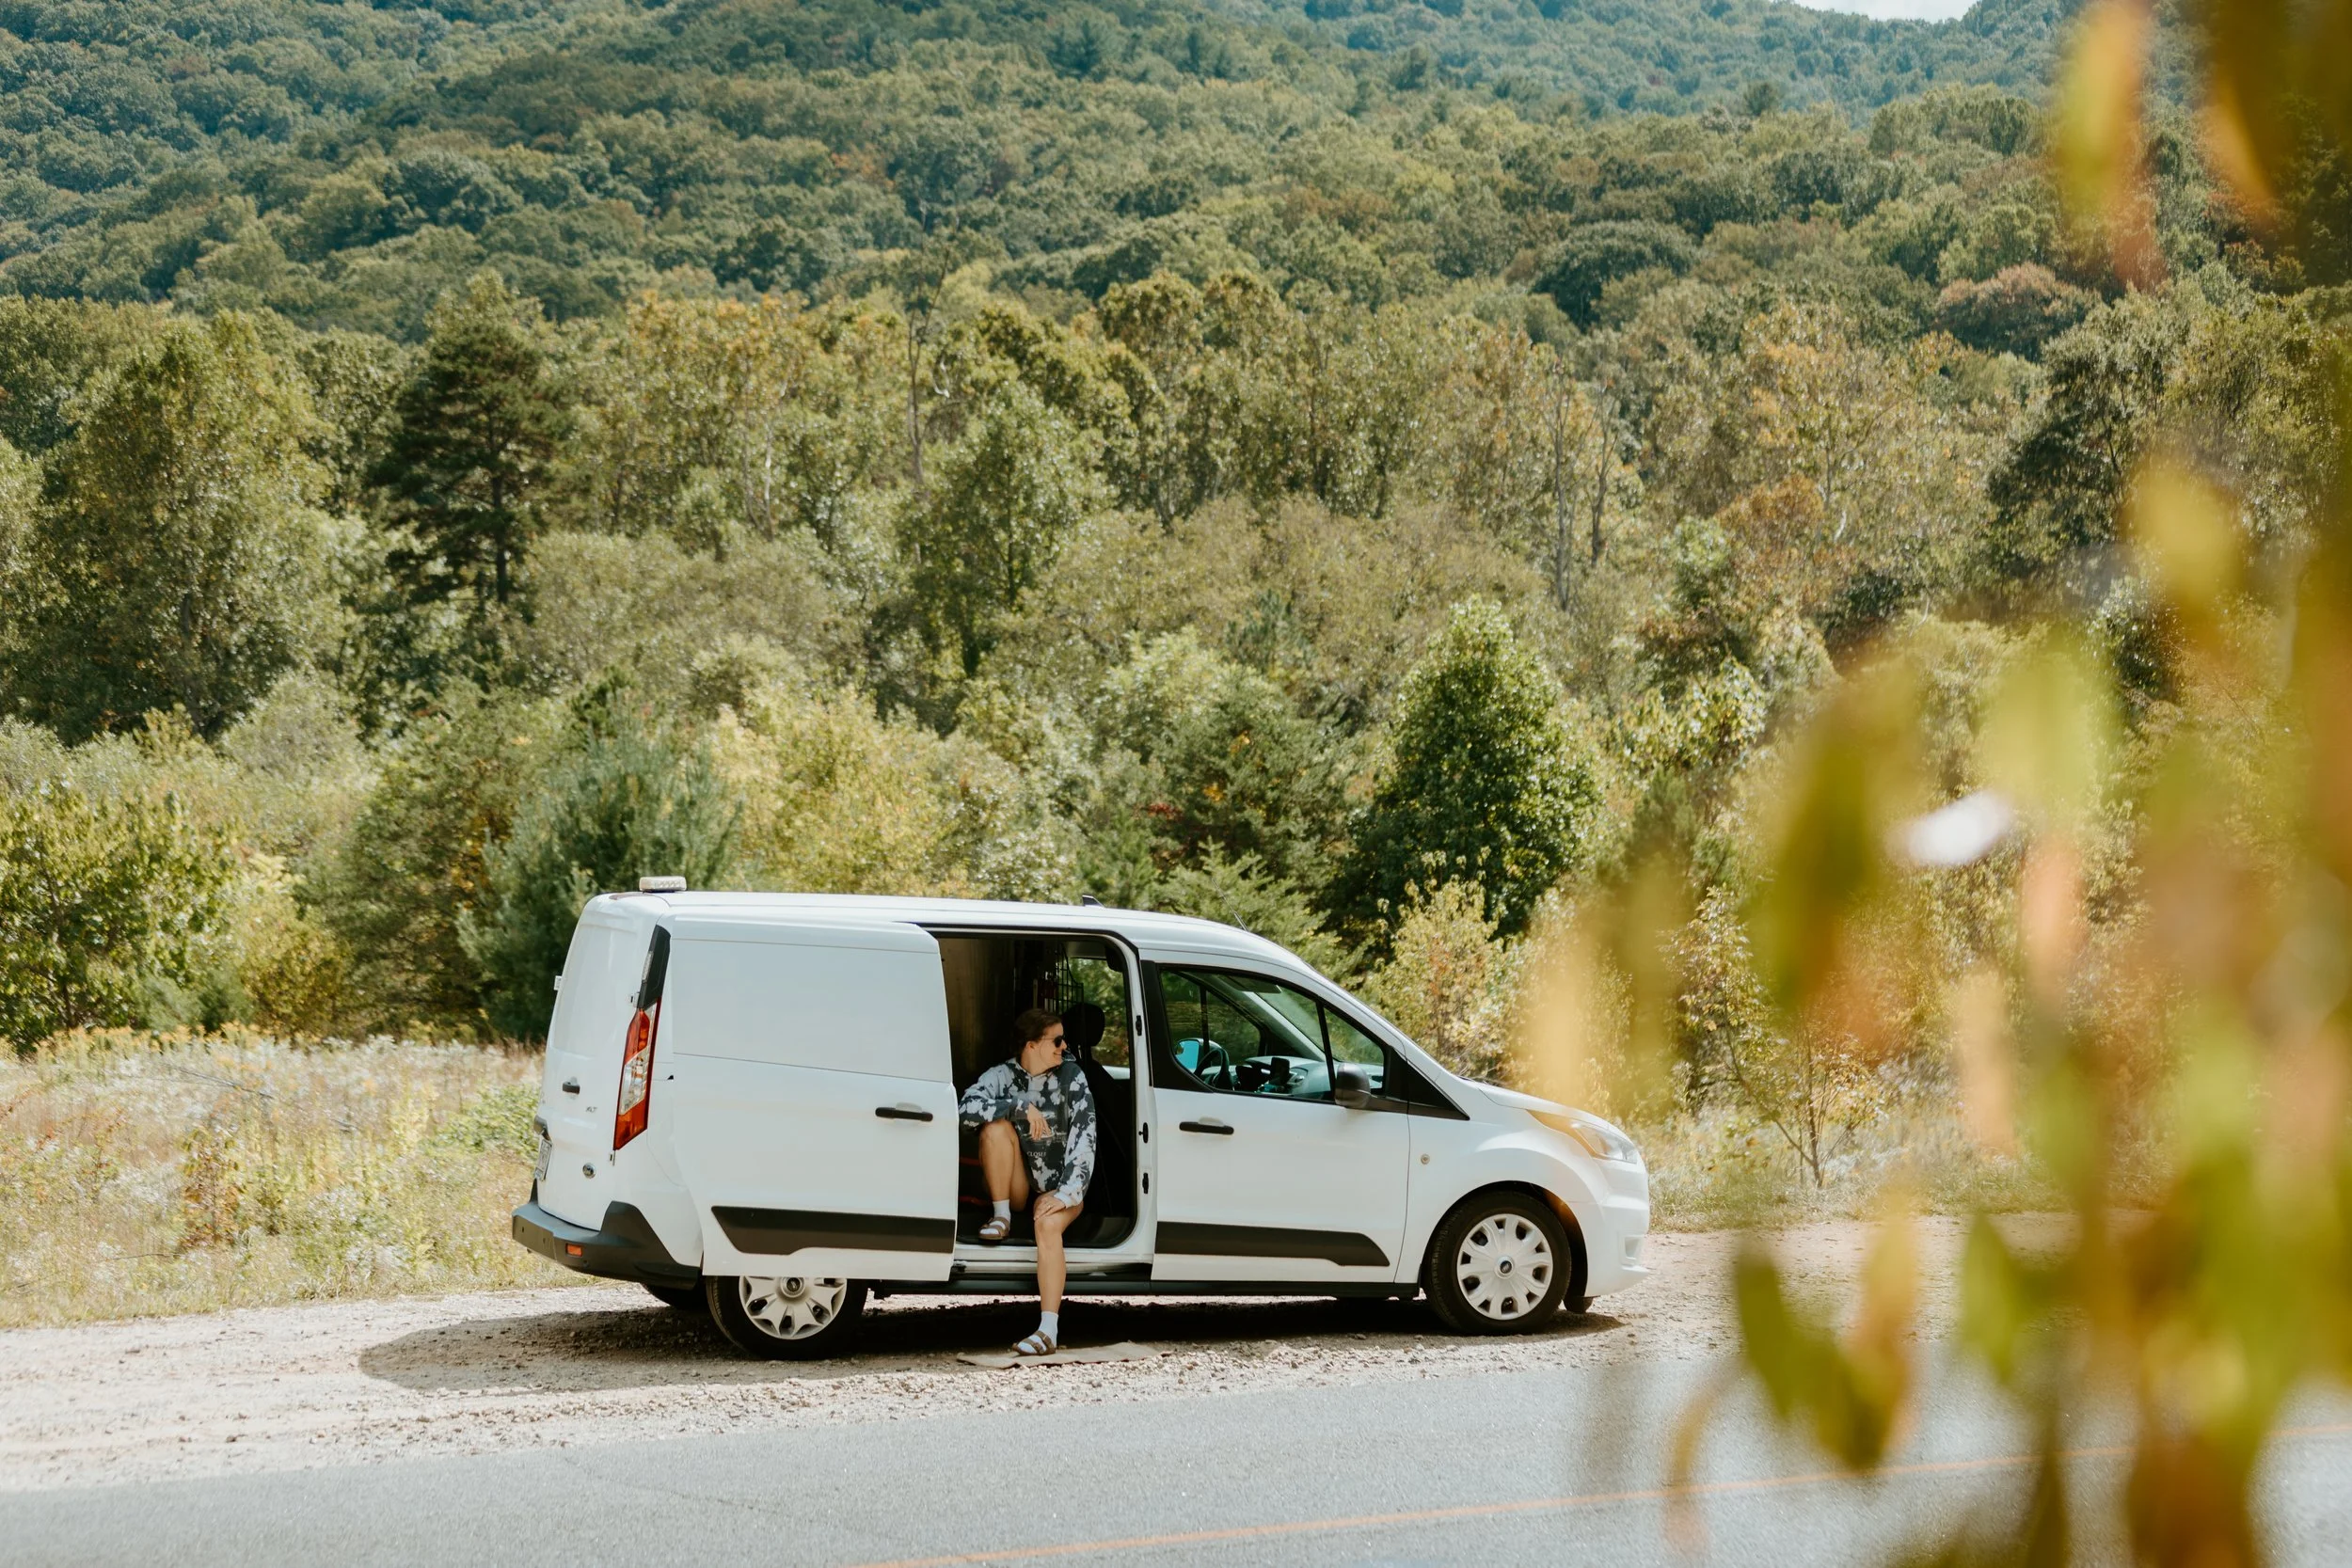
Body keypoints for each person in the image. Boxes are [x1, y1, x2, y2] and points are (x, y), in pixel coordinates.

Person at [958, 1006, 1096, 1356]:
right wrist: (1017, 1106)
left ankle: (1048, 1330)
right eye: (1057, 1041)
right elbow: (964, 1110)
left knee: (1046, 1226)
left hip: (1062, 1186)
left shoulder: (1073, 1077)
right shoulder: (1003, 1075)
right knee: (995, 1127)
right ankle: (1001, 1215)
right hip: (1019, 1186)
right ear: (1031, 1045)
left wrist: (1066, 1194)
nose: (1064, 1047)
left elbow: (1085, 1138)